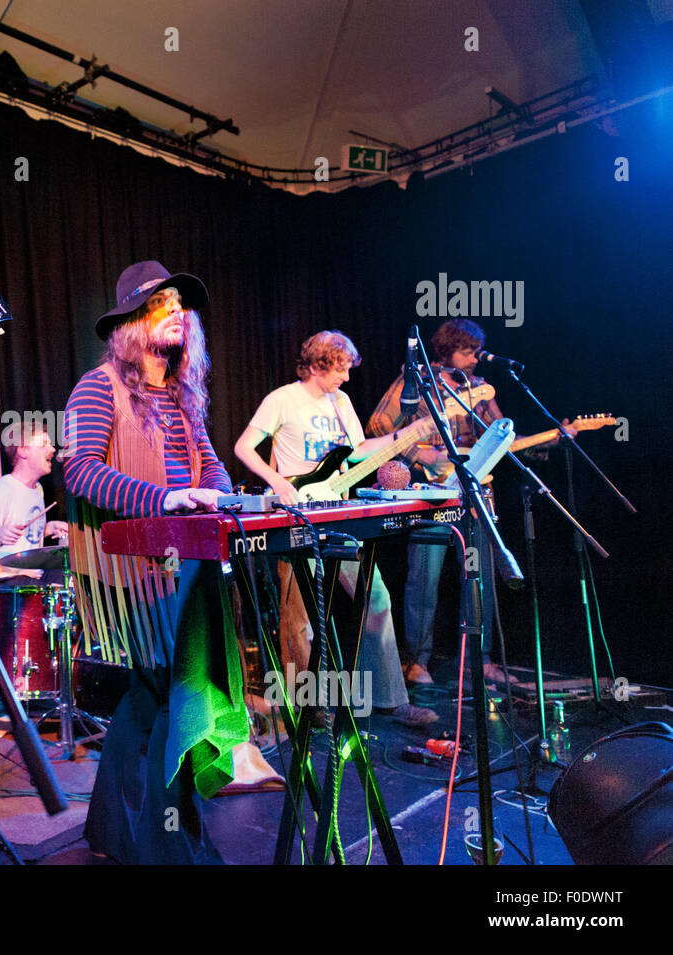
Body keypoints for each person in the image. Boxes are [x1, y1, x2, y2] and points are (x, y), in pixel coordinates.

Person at [64, 260, 280, 865]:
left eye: (181, 303)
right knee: (173, 696)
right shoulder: (98, 385)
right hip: (135, 569)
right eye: (161, 302)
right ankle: (170, 849)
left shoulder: (182, 395)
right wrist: (165, 499)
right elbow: (80, 471)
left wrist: (216, 491)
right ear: (132, 321)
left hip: (185, 559)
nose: (177, 311)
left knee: (148, 695)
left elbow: (209, 464)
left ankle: (111, 833)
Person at [233, 330, 437, 727]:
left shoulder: (341, 402)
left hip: (338, 511)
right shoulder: (282, 400)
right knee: (299, 616)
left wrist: (402, 437)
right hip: (296, 514)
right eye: (338, 369)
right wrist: (277, 482)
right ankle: (307, 707)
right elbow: (244, 447)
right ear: (314, 366)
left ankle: (390, 699)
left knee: (376, 598)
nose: (345, 378)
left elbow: (357, 451)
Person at [366, 318, 571, 685]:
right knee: (423, 580)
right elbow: (379, 425)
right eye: (467, 351)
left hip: (473, 495)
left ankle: (480, 659)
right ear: (447, 350)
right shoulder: (417, 382)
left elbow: (503, 436)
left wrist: (555, 437)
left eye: (476, 351)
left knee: (480, 578)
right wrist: (421, 455)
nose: (475, 358)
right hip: (430, 496)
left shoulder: (479, 389)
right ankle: (416, 661)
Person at [0, 419, 68, 586]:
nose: (52, 449)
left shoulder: (37, 489)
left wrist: (47, 528)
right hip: (5, 585)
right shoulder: (1, 490)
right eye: (44, 444)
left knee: (70, 577)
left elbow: (24, 534)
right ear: (23, 450)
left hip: (33, 579)